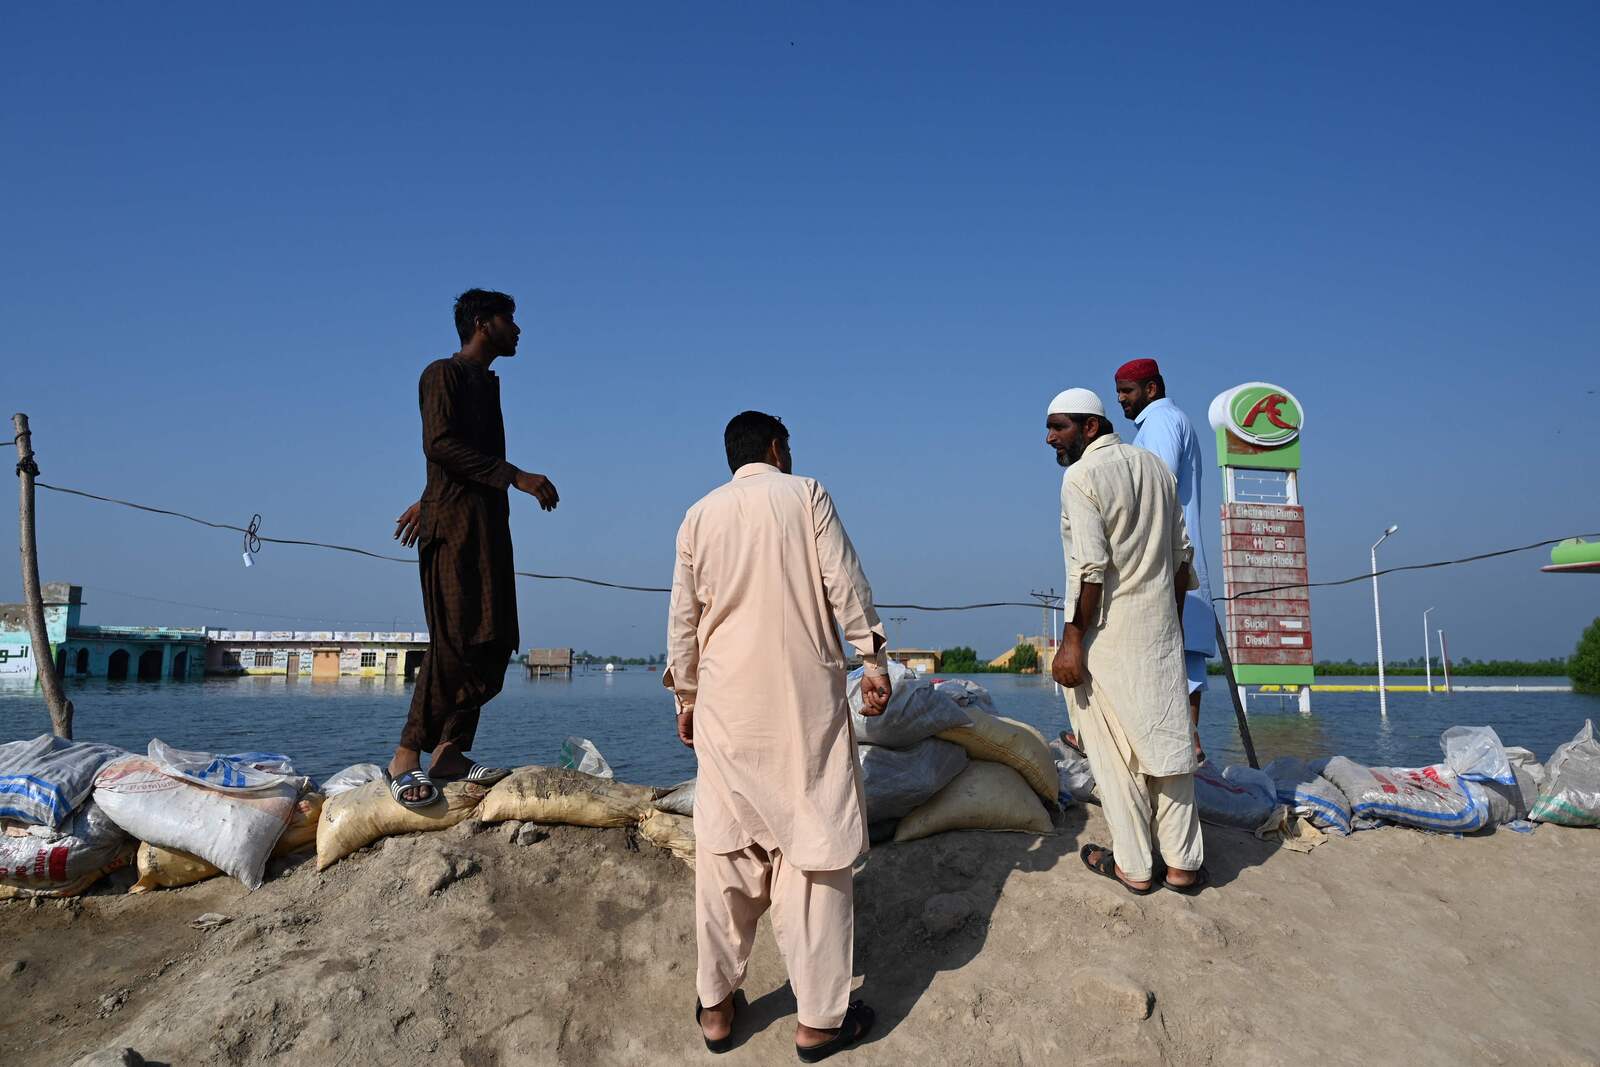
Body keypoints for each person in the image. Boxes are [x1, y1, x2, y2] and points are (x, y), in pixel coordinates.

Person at [664, 411, 885, 1060]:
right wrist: (871, 658)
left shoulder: (698, 515)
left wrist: (687, 697)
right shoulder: (806, 494)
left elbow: (683, 616)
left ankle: (715, 1008)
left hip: (727, 711)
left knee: (726, 853)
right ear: (776, 448)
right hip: (803, 708)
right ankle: (818, 1021)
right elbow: (844, 581)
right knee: (813, 850)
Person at [387, 289, 560, 809]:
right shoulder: (443, 373)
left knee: (495, 638)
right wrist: (516, 476)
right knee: (454, 639)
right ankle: (404, 755)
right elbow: (438, 443)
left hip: (486, 528)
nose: (519, 330)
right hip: (455, 531)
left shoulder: (487, 385)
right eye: (512, 320)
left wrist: (430, 495)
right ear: (484, 323)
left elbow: (455, 459)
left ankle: (451, 752)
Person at [1045, 388, 1206, 895]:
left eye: (1059, 427)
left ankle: (1135, 867)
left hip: (1107, 640)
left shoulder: (1082, 476)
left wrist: (1072, 642)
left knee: (1114, 756)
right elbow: (1183, 558)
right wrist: (1170, 623)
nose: (1050, 438)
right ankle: (1182, 864)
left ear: (1090, 427)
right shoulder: (1157, 469)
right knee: (1168, 746)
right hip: (1158, 637)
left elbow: (1091, 568)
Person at [1114, 357, 1215, 764]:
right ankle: (1187, 740)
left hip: (1164, 559)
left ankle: (1171, 744)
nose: (1121, 400)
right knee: (1183, 658)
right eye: (1118, 392)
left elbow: (1155, 485)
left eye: (1128, 391)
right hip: (1182, 558)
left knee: (1156, 654)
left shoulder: (1158, 422)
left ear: (1151, 389)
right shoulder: (1174, 420)